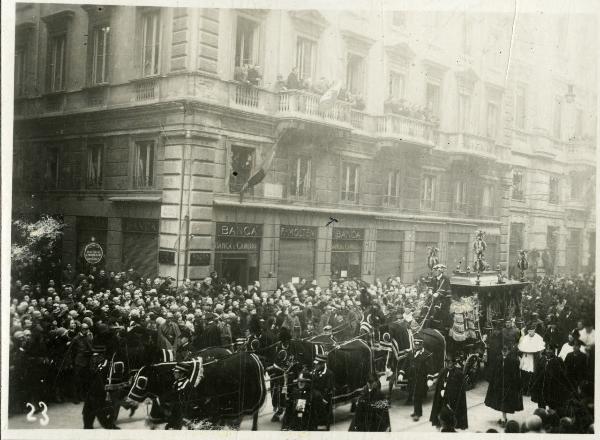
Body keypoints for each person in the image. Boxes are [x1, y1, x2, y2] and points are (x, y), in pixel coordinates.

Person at [484, 345, 523, 426]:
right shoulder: (498, 359)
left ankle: (504, 419)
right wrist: (493, 382)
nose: (504, 352)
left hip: (509, 385)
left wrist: (517, 384)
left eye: (506, 350)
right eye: (503, 350)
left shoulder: (513, 361)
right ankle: (503, 417)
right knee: (501, 402)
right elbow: (494, 372)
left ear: (509, 351)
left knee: (505, 402)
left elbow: (516, 374)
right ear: (501, 351)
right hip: (499, 384)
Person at [399, 336, 435, 421]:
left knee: (418, 396)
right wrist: (401, 373)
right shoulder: (411, 353)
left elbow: (430, 368)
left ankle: (418, 414)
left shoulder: (427, 355)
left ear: (422, 344)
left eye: (418, 345)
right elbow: (405, 363)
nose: (416, 346)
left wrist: (430, 378)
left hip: (421, 380)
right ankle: (417, 411)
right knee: (414, 395)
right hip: (412, 379)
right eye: (415, 345)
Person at [429, 356, 468, 430]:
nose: (448, 364)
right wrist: (441, 390)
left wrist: (447, 392)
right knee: (441, 409)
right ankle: (439, 422)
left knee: (451, 411)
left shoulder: (458, 373)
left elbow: (459, 389)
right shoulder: (443, 371)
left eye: (450, 362)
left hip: (453, 398)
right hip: (442, 397)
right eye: (447, 362)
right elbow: (439, 384)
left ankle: (454, 424)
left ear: (454, 363)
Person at [530, 345, 572, 411]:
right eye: (547, 349)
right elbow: (536, 373)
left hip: (552, 388)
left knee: (552, 406)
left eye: (550, 349)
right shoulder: (542, 360)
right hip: (542, 387)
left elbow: (563, 375)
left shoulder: (558, 360)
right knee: (541, 406)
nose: (548, 351)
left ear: (553, 351)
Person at [518, 323, 545, 395]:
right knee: (524, 374)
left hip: (533, 358)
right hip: (526, 358)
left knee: (533, 374)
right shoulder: (525, 338)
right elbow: (521, 347)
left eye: (532, 331)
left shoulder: (538, 338)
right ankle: (524, 389)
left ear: (534, 330)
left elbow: (541, 348)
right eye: (529, 331)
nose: (530, 333)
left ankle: (531, 391)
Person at [309, 353, 335, 430]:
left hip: (323, 396)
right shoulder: (314, 371)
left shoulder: (329, 373)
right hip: (314, 394)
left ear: (323, 364)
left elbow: (328, 388)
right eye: (315, 364)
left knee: (317, 399)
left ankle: (321, 422)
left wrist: (323, 398)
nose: (315, 366)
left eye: (317, 364)